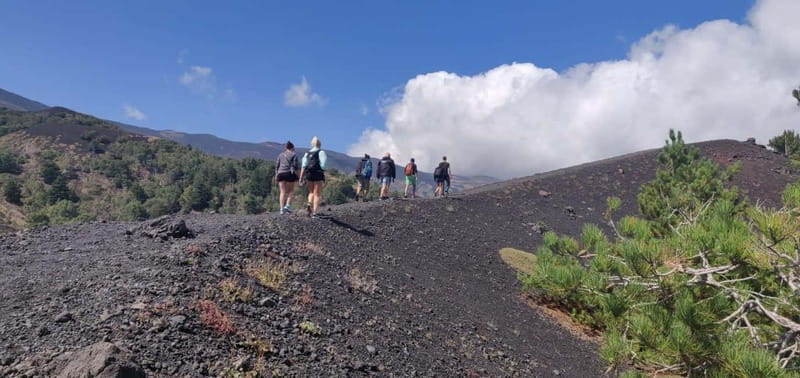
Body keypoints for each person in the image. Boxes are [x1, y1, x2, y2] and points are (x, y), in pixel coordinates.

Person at [299, 136, 327, 218]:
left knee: (311, 192)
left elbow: (303, 166)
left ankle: (309, 204)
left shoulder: (307, 153)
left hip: (309, 174)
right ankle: (314, 212)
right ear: (319, 144)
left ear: (312, 144)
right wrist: (323, 170)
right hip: (318, 173)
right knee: (317, 194)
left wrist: (301, 177)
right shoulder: (321, 152)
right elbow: (324, 165)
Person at [274, 141, 300, 215]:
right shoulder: (294, 155)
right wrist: (299, 176)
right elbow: (295, 167)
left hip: (280, 174)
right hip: (289, 173)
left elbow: (277, 166)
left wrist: (276, 175)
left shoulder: (280, 155)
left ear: (286, 148)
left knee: (282, 192)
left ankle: (281, 210)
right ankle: (287, 206)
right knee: (291, 191)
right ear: (292, 147)